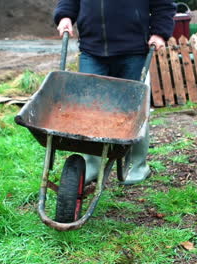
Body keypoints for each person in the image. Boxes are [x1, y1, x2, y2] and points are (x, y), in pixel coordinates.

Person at [54, 0, 176, 185]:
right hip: (92, 48)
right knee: (89, 109)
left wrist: (159, 32)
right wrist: (65, 16)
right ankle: (92, 164)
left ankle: (137, 165)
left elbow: (164, 3)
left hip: (133, 49)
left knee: (134, 108)